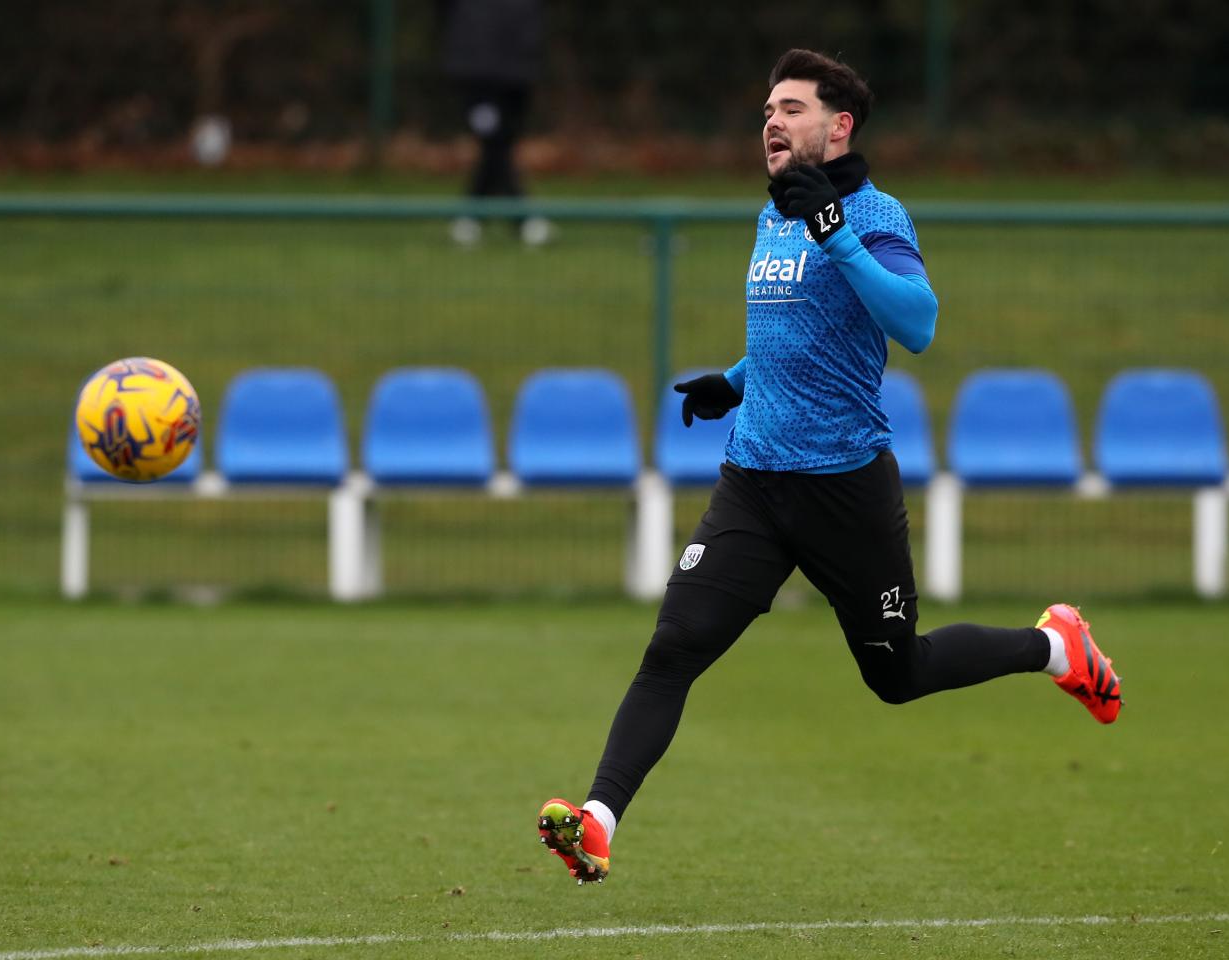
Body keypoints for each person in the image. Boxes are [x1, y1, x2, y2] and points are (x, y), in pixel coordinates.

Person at [535, 48, 1122, 885]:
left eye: (791, 108)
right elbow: (799, 335)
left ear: (838, 127)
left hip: (845, 489)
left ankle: (1053, 646)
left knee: (898, 674)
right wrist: (733, 383)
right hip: (755, 486)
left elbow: (916, 324)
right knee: (673, 650)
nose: (771, 121)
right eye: (766, 110)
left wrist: (836, 232)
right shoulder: (775, 212)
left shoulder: (877, 215)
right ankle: (597, 823)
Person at [440, 0, 551, 246]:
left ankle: (469, 218)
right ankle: (523, 219)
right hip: (477, 72)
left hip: (519, 71)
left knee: (500, 147)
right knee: (495, 145)